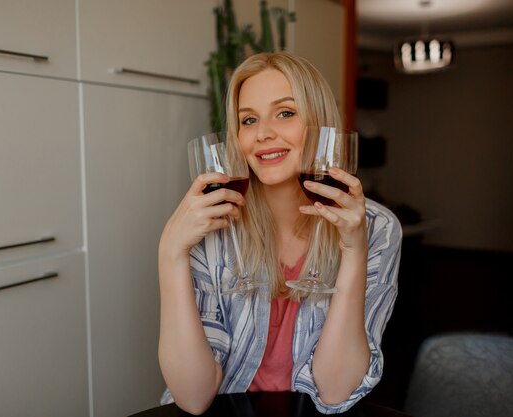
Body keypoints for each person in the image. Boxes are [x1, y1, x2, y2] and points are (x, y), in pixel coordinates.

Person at [158, 52, 402, 415]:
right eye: (249, 120)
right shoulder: (212, 225)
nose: (263, 134)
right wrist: (170, 252)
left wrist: (354, 251)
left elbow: (336, 390)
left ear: (320, 126)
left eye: (285, 113)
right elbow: (193, 399)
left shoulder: (377, 227)